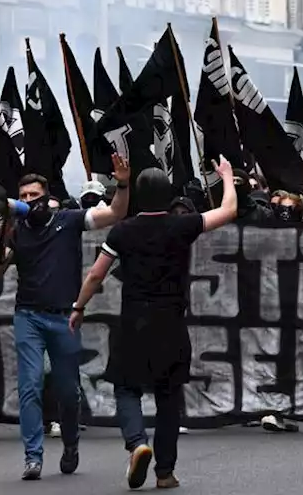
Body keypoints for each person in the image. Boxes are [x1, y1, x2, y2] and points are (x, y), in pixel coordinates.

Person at [71, 160, 237, 490]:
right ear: (167, 195)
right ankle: (165, 472)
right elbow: (228, 210)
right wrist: (227, 177)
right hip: (171, 323)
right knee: (168, 398)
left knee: (125, 387)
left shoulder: (123, 231)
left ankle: (136, 443)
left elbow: (96, 274)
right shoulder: (182, 225)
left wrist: (78, 307)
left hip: (133, 321)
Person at [0, 154, 131, 481]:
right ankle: (33, 457)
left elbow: (116, 212)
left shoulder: (69, 220)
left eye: (33, 196)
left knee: (68, 391)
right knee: (29, 386)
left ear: (47, 198)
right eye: (22, 197)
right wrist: (2, 233)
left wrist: (122, 183)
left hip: (63, 318)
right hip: (28, 316)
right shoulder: (17, 229)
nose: (27, 202)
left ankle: (70, 443)